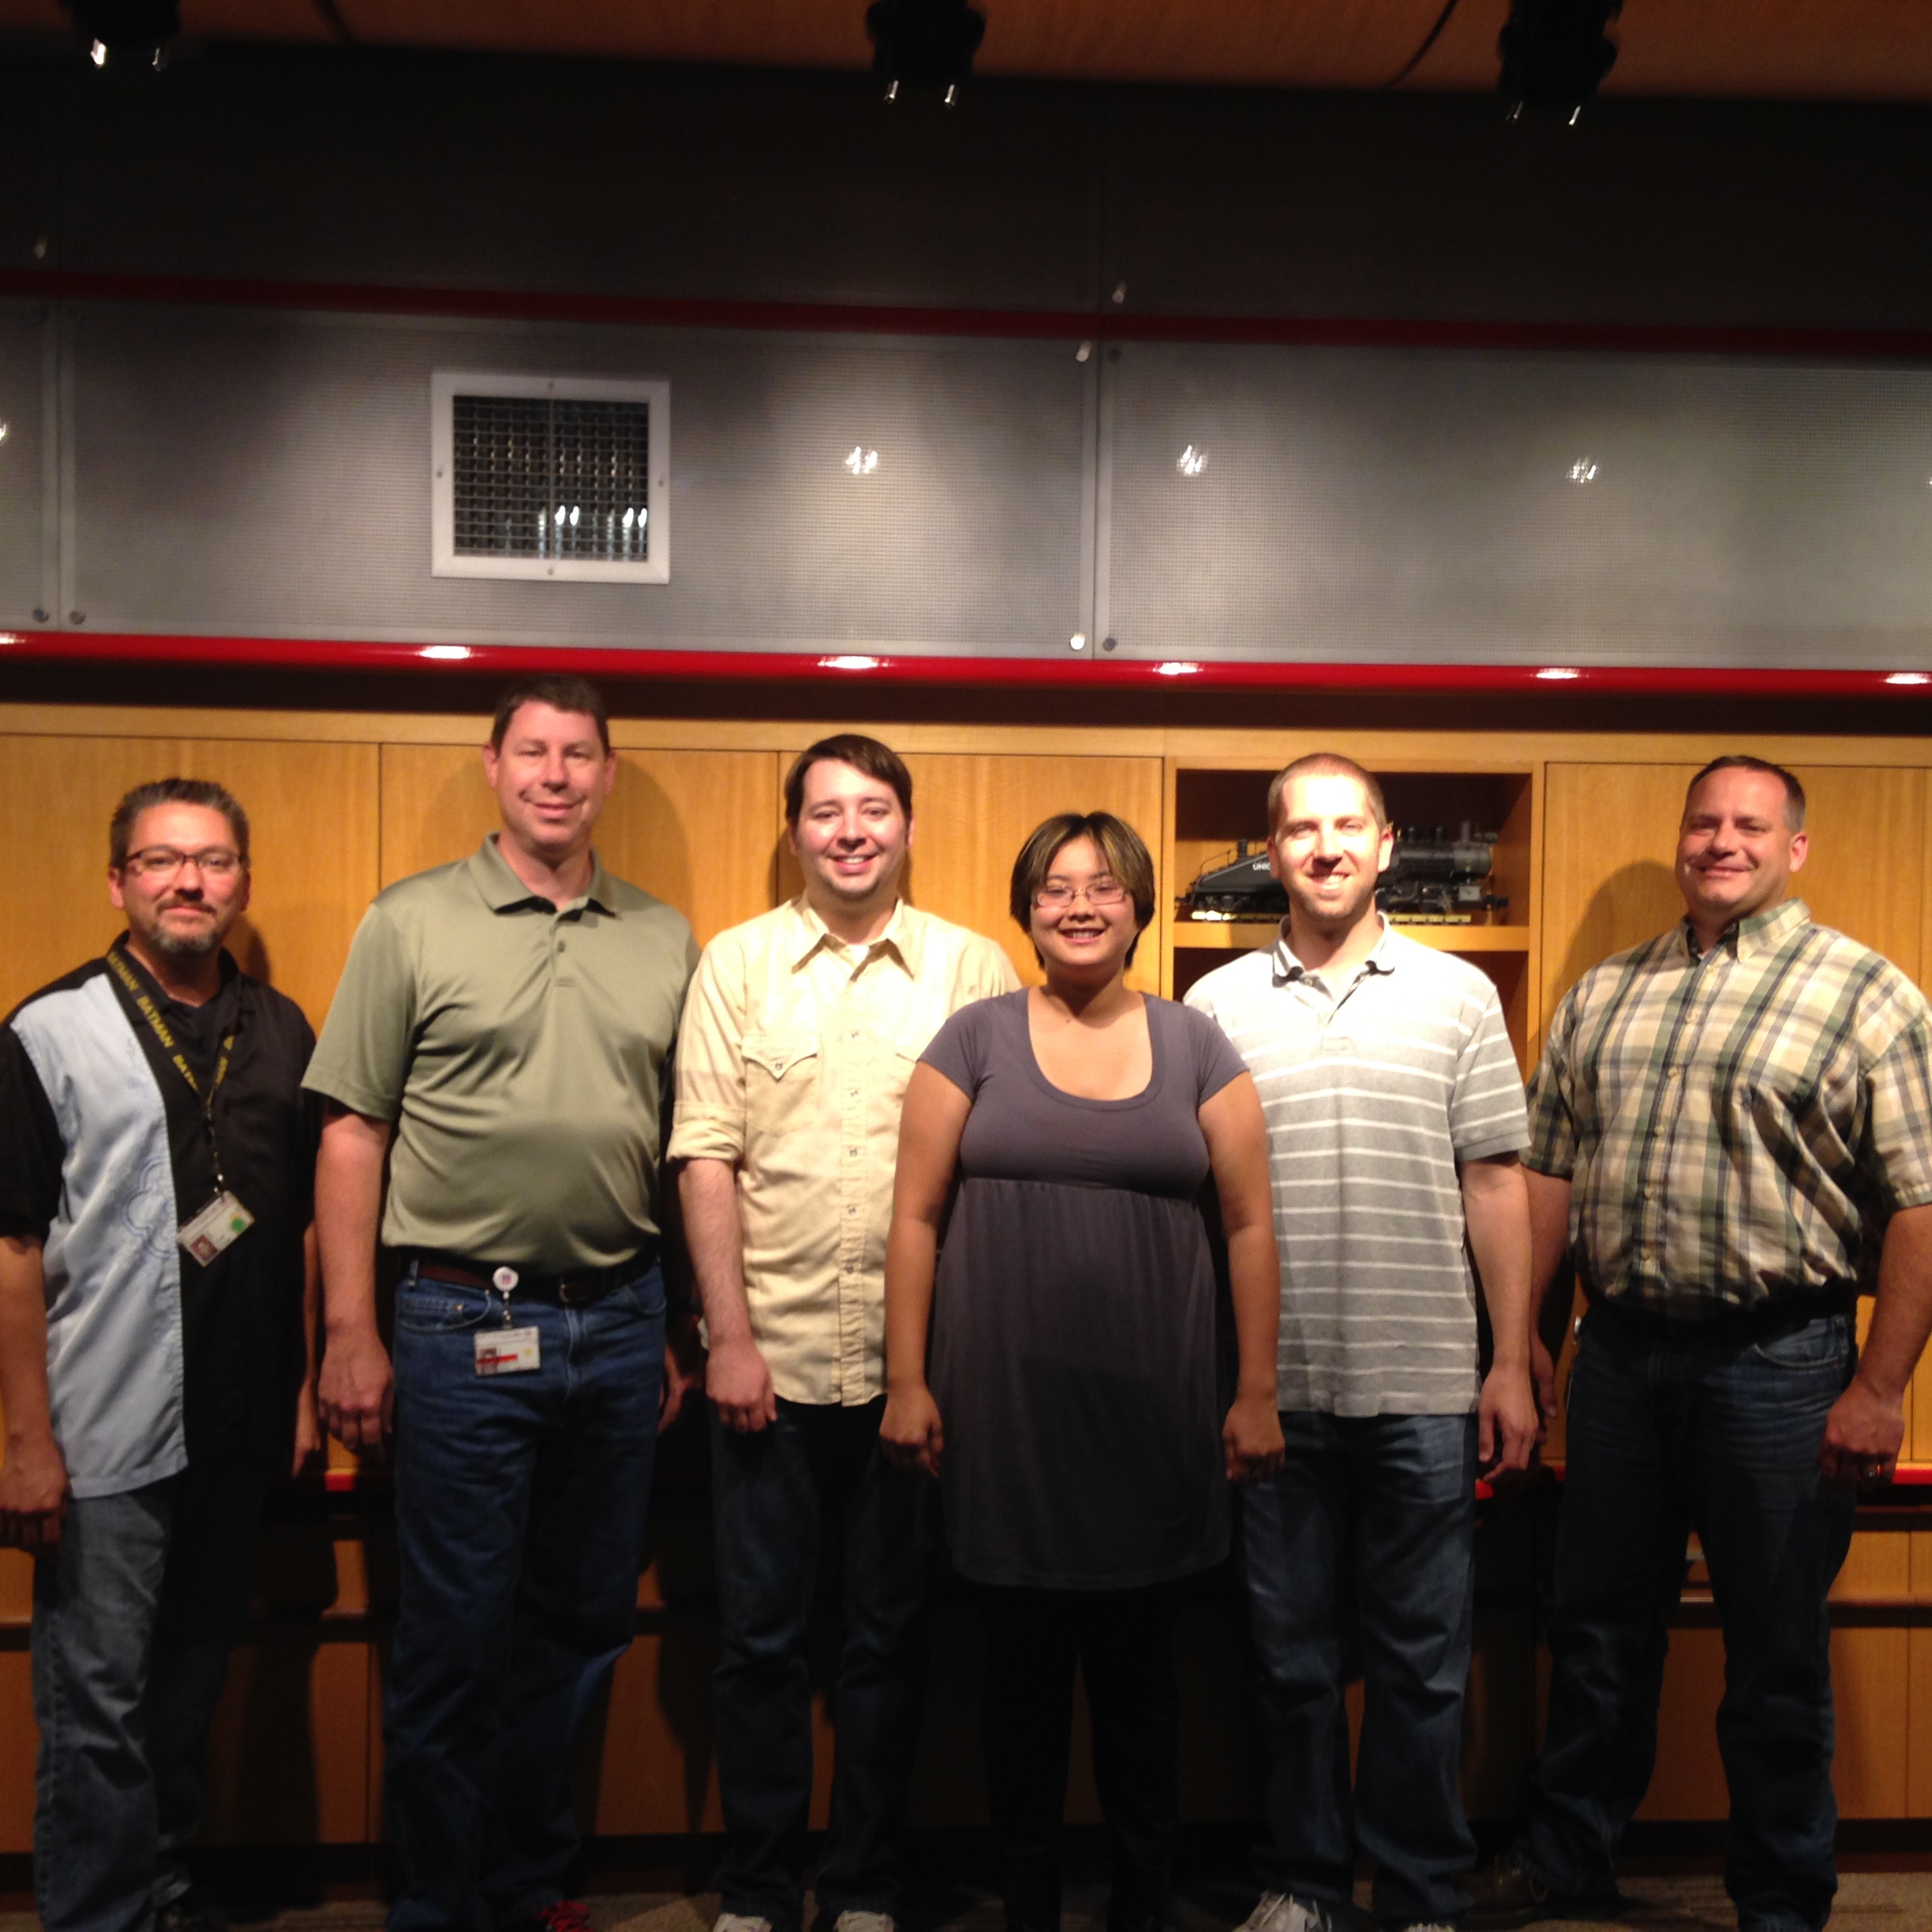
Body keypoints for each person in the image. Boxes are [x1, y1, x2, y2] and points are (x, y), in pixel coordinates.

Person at [1477, 756, 1932, 1932]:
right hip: (1620, 1360)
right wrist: (1529, 1336)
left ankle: (1782, 1897)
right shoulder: (1604, 993)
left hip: (1781, 1369)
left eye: (1750, 824)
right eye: (1704, 822)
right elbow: (1549, 1172)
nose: (1721, 841)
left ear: (1795, 850)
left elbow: (1924, 1208)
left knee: (1774, 1657)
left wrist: (1882, 1388)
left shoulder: (1867, 996)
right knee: (1597, 1637)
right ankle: (1569, 1855)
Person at [305, 676, 698, 1932]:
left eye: (579, 754)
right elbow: (352, 1133)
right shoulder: (410, 922)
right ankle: (437, 1904)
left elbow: (688, 1145)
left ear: (608, 774)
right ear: (493, 767)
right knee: (453, 1639)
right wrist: (350, 1330)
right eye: (532, 751)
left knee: (582, 1629)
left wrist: (681, 1325)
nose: (555, 774)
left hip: (622, 1321)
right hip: (454, 1320)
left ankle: (530, 1887)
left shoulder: (663, 934)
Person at [882, 810, 1285, 1932]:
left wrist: (1255, 1390)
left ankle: (1143, 1906)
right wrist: (906, 1378)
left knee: (1142, 1691)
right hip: (1004, 1425)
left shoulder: (1197, 1045)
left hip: (1154, 1425)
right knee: (1016, 1690)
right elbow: (914, 1219)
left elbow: (1251, 1225)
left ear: (1140, 906)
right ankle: (1027, 1907)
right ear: (1027, 909)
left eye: (1104, 887)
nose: (1080, 906)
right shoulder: (973, 1039)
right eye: (1057, 887)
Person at [669, 733, 1018, 1932]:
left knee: (890, 1643)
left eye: (873, 810)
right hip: (764, 1367)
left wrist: (948, 1367)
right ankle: (758, 1891)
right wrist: (727, 1337)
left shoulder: (973, 970)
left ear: (908, 826)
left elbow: (995, 1173)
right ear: (796, 831)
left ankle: (865, 1886)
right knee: (759, 1646)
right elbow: (707, 1155)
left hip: (910, 1379)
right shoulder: (737, 964)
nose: (851, 831)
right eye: (826, 813)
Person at [1185, 754, 1537, 1932]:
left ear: (1387, 845)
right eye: (1301, 829)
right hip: (1273, 1391)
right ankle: (1304, 1883)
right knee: (1286, 1663)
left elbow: (1495, 1184)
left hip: (1428, 1389)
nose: (1326, 847)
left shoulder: (1459, 994)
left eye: (1349, 826)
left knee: (1423, 1668)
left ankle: (1422, 1893)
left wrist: (1509, 1360)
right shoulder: (1216, 1007)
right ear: (1270, 851)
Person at [0, 777, 320, 1932]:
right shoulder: (50, 1030)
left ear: (243, 880)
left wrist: (299, 1393)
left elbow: (296, 1224)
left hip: (237, 1427)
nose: (189, 881)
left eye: (214, 861)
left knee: (188, 1688)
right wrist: (25, 1443)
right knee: (97, 1706)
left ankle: (162, 1892)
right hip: (105, 1433)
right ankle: (97, 1915)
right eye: (160, 861)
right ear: (119, 881)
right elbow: (14, 1249)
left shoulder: (280, 1028)